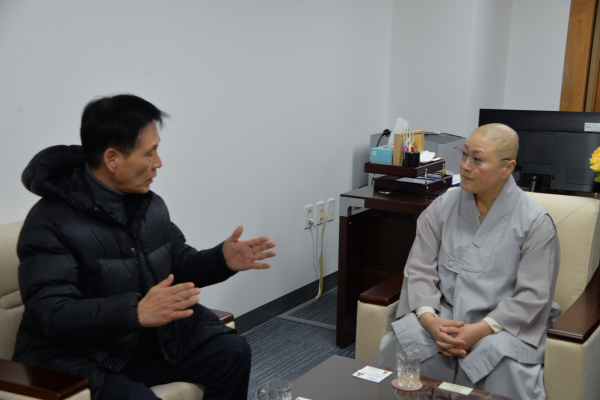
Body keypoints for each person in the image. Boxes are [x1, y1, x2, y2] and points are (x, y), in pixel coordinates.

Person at [13, 94, 276, 400]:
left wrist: (221, 259)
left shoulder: (148, 206)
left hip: (138, 343)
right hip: (77, 357)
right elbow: (51, 314)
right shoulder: (49, 222)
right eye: (150, 153)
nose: (158, 163)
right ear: (112, 159)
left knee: (232, 351)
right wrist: (135, 312)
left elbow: (178, 265)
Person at [374, 123, 561, 400]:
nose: (465, 165)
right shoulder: (442, 207)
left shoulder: (535, 223)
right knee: (404, 343)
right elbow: (420, 270)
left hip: (500, 324)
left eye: (477, 159)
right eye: (464, 154)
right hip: (442, 313)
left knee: (499, 362)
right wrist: (429, 320)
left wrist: (481, 329)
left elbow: (533, 296)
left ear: (507, 168)